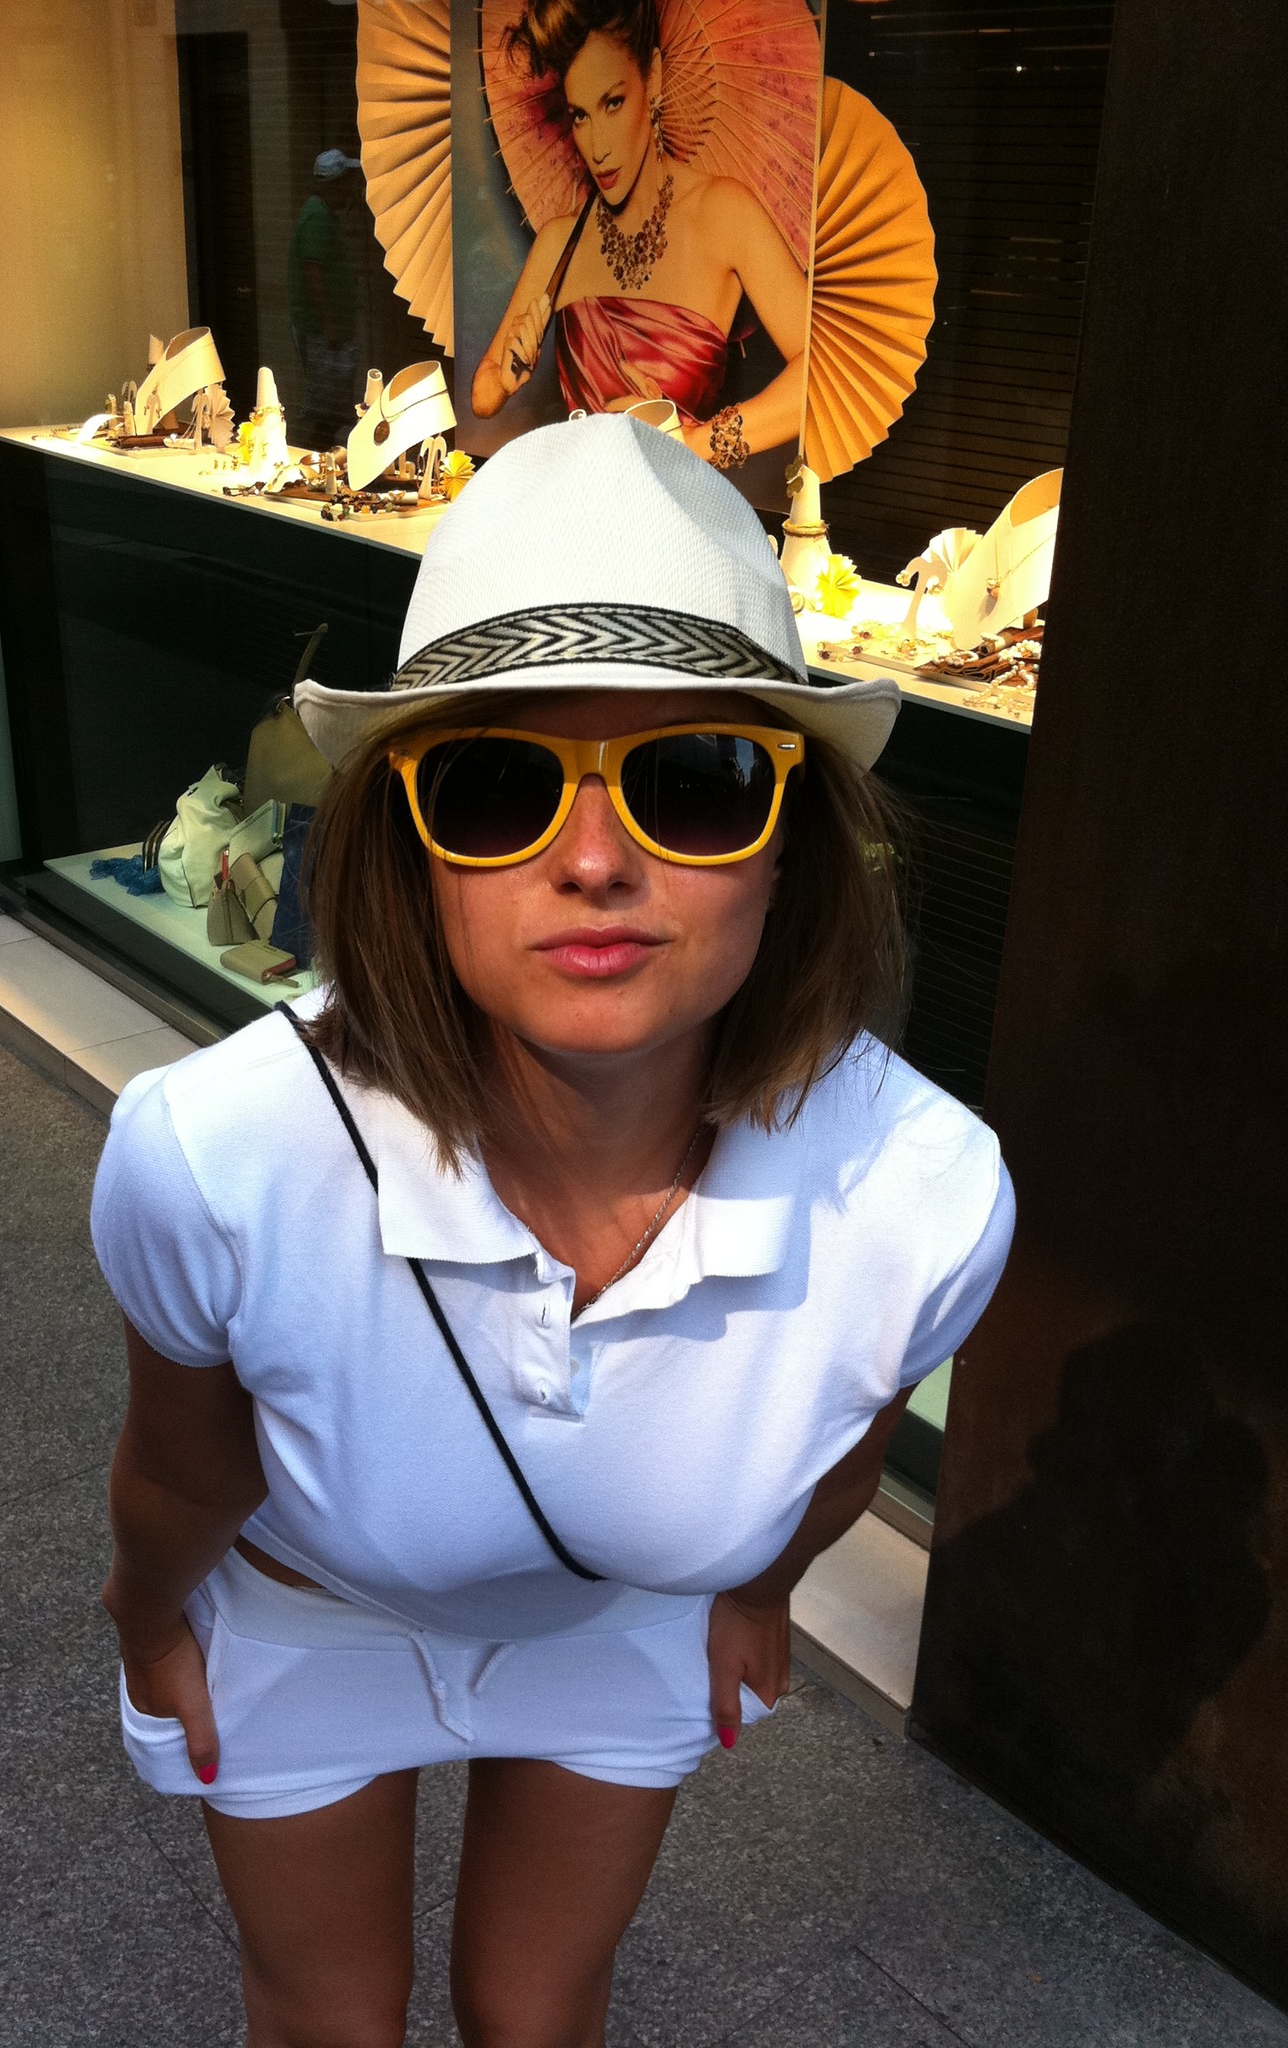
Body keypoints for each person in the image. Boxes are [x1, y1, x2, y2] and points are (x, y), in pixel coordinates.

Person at [92, 415, 1014, 2046]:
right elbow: (185, 1466)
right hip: (310, 1617)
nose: (592, 860)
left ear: (791, 842)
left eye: (696, 782)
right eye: (497, 785)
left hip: (617, 1620)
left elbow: (836, 1457)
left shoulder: (919, 1195)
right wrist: (147, 1612)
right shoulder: (218, 1154)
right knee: (328, 2020)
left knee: (539, 2013)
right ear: (411, 850)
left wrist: (757, 1593)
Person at [470, 0, 810, 474]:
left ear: (655, 79)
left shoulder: (726, 213)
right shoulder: (560, 241)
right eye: (580, 115)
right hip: (578, 502)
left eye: (613, 103)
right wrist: (507, 374)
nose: (597, 148)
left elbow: (818, 375)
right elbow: (483, 396)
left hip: (674, 508)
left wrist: (694, 443)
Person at [289, 147, 362, 447]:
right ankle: (315, 457)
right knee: (327, 411)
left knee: (331, 409)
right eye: (348, 181)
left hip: (324, 329)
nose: (352, 187)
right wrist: (330, 323)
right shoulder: (317, 215)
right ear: (335, 183)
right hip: (320, 331)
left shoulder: (322, 213)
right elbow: (313, 272)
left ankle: (321, 455)